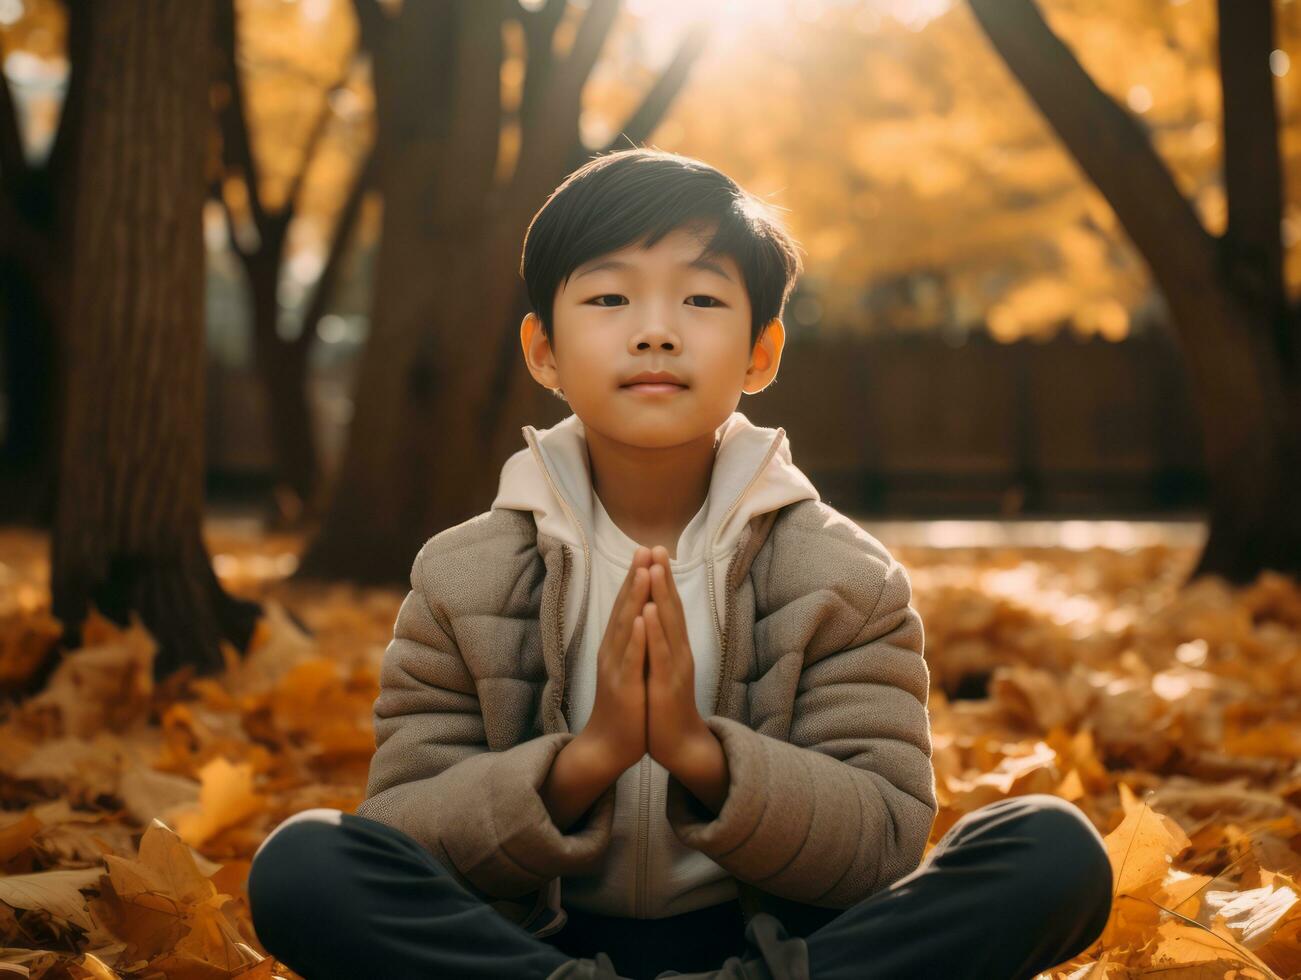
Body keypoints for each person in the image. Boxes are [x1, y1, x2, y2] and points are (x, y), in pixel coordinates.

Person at [246, 148, 1114, 980]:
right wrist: (589, 758)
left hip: (789, 956)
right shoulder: (461, 574)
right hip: (530, 952)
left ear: (760, 353)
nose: (656, 332)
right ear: (542, 349)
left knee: (1050, 850)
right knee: (303, 866)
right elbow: (406, 834)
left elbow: (879, 844)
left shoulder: (843, 576)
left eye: (700, 301)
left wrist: (701, 755)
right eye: (610, 298)